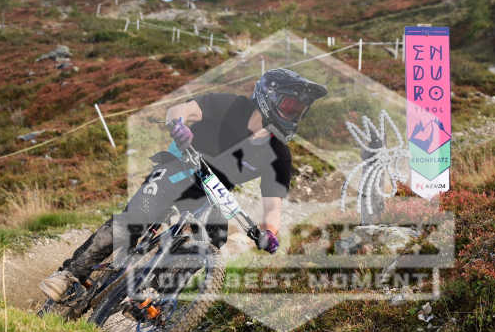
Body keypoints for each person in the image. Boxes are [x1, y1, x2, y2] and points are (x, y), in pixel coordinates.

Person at [39, 68, 328, 303]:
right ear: (269, 98)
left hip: (213, 195)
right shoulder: (230, 105)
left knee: (211, 242)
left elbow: (273, 206)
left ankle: (150, 296)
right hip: (179, 168)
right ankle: (70, 275)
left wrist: (270, 233)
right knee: (136, 218)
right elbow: (182, 109)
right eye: (289, 106)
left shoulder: (279, 154)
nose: (293, 114)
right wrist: (179, 125)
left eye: (299, 110)